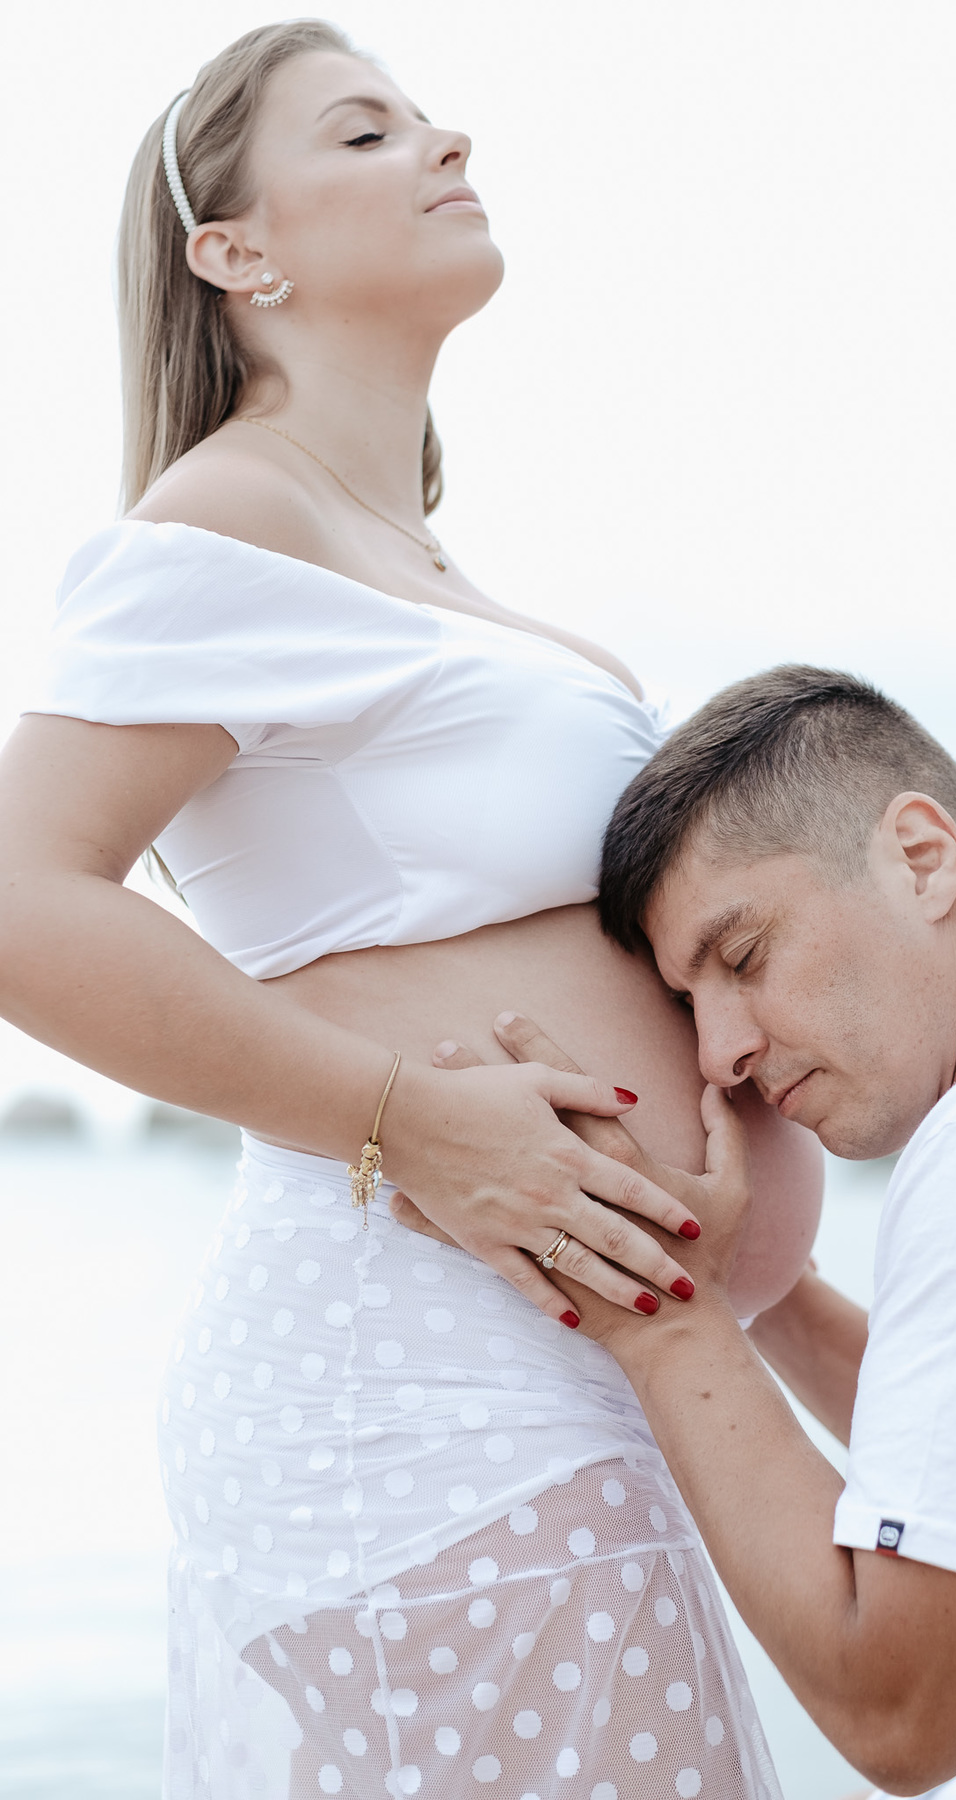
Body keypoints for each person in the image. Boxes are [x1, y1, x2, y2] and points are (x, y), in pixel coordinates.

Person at [0, 23, 825, 1800]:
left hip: (567, 1386)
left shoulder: (429, 575)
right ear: (239, 252)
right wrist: (410, 1123)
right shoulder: (228, 521)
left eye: (426, 117)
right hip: (421, 1385)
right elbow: (17, 903)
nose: (447, 139)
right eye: (369, 132)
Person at [432, 666, 956, 1798]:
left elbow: (900, 1709)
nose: (716, 1054)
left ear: (922, 856)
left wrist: (667, 1331)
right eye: (689, 1009)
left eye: (742, 959)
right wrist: (757, 1284)